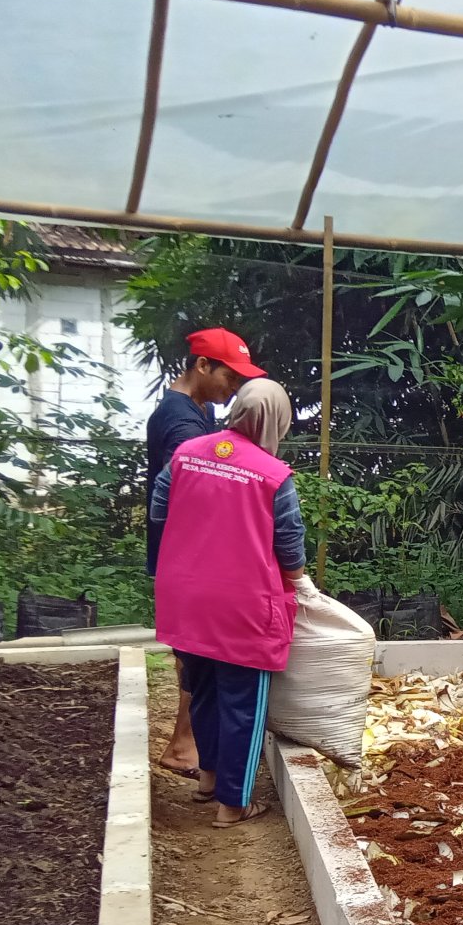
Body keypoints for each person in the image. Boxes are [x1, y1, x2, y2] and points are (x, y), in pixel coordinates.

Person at [150, 379, 307, 829]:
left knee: (202, 691)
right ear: (275, 420)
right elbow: (289, 541)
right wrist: (299, 581)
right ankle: (233, 805)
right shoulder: (273, 474)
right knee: (243, 703)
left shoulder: (186, 454)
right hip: (242, 606)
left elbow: (161, 511)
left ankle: (208, 779)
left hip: (186, 597)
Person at [144, 327, 264, 779]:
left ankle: (187, 746)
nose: (233, 387)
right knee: (200, 657)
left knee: (194, 654)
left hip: (183, 558)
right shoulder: (181, 421)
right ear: (202, 365)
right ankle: (184, 747)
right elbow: (186, 489)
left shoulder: (190, 413)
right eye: (229, 376)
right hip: (188, 560)